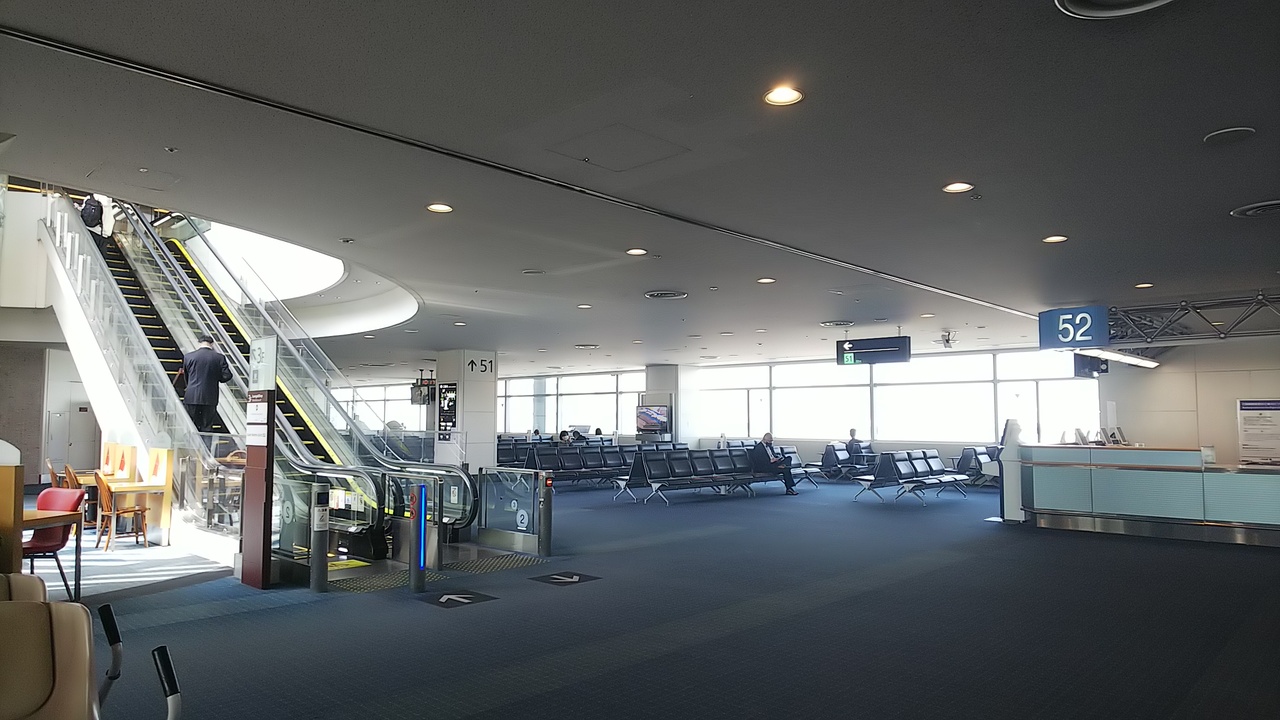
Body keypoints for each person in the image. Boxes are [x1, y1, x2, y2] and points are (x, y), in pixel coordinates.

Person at [175, 335, 232, 432]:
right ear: (212, 344)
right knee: (207, 426)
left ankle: (191, 441)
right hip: (210, 397)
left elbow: (187, 376)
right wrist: (216, 378)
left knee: (191, 426)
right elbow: (227, 375)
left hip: (191, 396)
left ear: (199, 343)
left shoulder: (188, 357)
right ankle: (206, 442)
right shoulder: (219, 357)